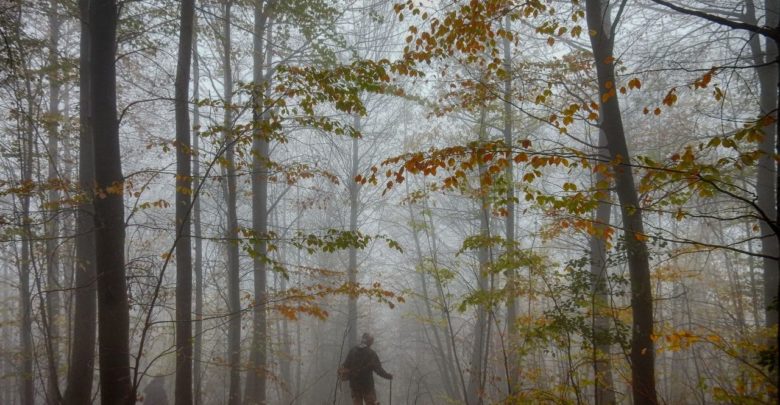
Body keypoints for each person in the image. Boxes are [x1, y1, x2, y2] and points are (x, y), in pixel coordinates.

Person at [340, 332, 393, 405]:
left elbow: (345, 367)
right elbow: (379, 370)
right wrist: (388, 376)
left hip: (354, 386)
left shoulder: (352, 351)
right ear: (369, 342)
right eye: (371, 341)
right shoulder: (371, 353)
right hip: (367, 386)